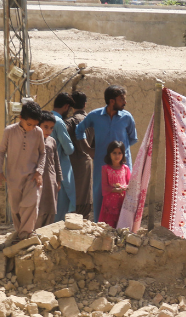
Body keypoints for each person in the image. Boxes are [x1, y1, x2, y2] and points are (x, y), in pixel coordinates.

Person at [75, 85, 138, 222]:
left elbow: (133, 138)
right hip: (101, 163)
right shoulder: (95, 116)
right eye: (122, 99)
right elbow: (79, 130)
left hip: (123, 165)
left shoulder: (127, 117)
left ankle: (124, 226)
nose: (125, 102)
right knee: (100, 192)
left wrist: (120, 154)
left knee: (125, 193)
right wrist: (88, 149)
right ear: (112, 101)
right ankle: (99, 225)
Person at [0, 101, 45, 242]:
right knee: (16, 209)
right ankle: (20, 234)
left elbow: (43, 153)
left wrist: (39, 171)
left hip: (32, 176)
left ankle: (26, 234)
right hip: (14, 177)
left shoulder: (38, 132)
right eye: (29, 124)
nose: (32, 128)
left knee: (30, 203)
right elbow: (0, 152)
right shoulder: (9, 131)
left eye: (35, 125)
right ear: (21, 118)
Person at [65, 91, 95, 219]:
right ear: (85, 104)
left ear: (71, 106)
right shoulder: (92, 121)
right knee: (86, 193)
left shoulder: (70, 122)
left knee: (74, 194)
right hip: (87, 161)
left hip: (72, 162)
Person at [51, 92, 76, 222]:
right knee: (60, 208)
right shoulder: (59, 122)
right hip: (59, 169)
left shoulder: (43, 118)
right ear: (66, 106)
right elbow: (69, 149)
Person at [37, 111, 62, 228]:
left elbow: (57, 162)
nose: (48, 130)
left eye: (51, 128)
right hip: (38, 179)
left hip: (51, 180)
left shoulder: (52, 141)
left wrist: (59, 180)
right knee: (39, 208)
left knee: (51, 208)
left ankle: (46, 232)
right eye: (45, 127)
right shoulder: (34, 140)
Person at [100, 141, 131, 228]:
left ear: (123, 154)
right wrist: (116, 190)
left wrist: (125, 188)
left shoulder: (125, 168)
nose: (117, 156)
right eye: (114, 153)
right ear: (109, 154)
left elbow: (130, 184)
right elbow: (105, 186)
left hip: (122, 201)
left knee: (122, 224)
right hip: (110, 203)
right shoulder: (105, 169)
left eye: (119, 153)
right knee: (110, 226)